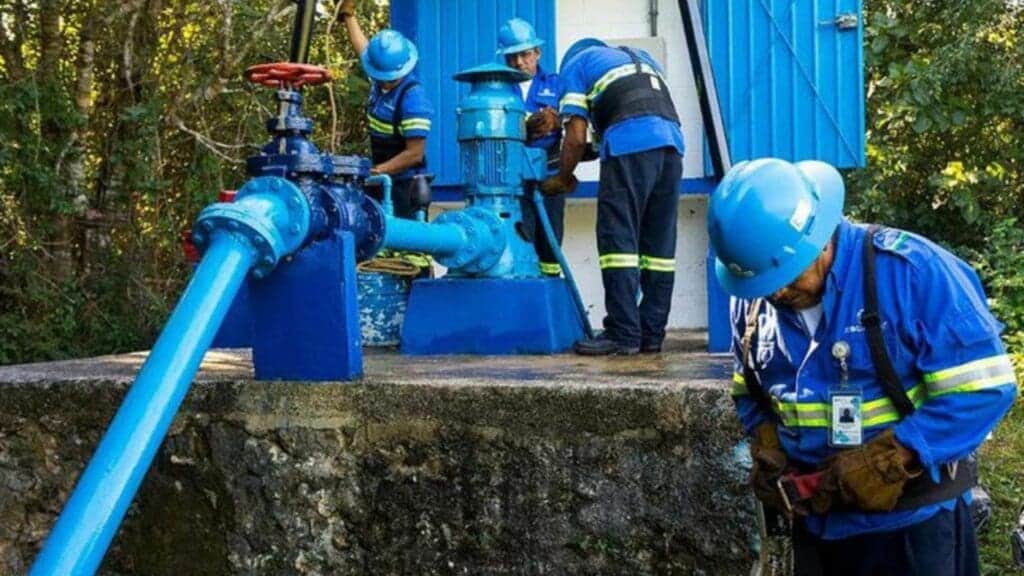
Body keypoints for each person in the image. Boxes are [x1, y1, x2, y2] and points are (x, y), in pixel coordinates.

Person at [707, 158, 1017, 576]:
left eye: (785, 275)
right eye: (762, 282)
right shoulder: (755, 294)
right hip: (816, 523)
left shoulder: (913, 273)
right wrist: (766, 441)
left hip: (911, 527)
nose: (776, 291)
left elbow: (985, 388)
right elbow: (749, 386)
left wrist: (897, 455)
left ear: (816, 239)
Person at [542, 38, 685, 356]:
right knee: (658, 248)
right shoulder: (639, 58)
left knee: (617, 241)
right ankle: (651, 335)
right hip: (671, 146)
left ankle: (622, 333)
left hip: (629, 145)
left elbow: (576, 138)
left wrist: (562, 179)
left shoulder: (575, 66)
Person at [338, 1, 433, 222]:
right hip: (382, 178)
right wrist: (348, 17)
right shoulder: (382, 78)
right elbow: (364, 50)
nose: (381, 82)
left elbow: (414, 154)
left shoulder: (413, 99)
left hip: (405, 186)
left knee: (406, 244)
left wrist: (376, 171)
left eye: (387, 79)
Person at [497, 17, 564, 277]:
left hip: (550, 176)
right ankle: (525, 285)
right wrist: (524, 127)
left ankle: (550, 290)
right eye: (511, 57)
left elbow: (574, 123)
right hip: (515, 182)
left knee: (551, 242)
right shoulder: (499, 88)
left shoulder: (557, 84)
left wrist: (556, 118)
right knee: (522, 239)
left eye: (524, 55)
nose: (518, 63)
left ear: (537, 52)